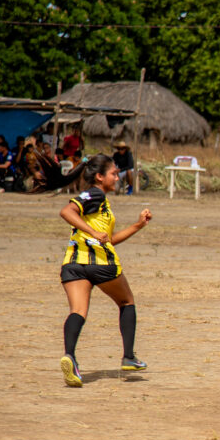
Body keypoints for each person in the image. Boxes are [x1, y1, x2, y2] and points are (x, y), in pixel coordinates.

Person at [42, 154, 152, 387]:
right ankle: (129, 357)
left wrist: (138, 225)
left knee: (78, 311)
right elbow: (66, 212)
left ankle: (69, 356)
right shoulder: (96, 193)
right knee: (126, 302)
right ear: (100, 177)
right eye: (113, 173)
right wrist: (93, 234)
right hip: (100, 264)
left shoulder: (99, 201)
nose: (117, 177)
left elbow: (109, 238)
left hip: (73, 264)